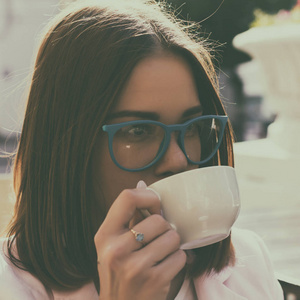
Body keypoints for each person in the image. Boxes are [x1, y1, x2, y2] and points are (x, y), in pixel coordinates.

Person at [0, 0, 283, 299]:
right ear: (66, 147)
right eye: (138, 131)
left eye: (192, 127)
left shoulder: (248, 263)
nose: (176, 159)